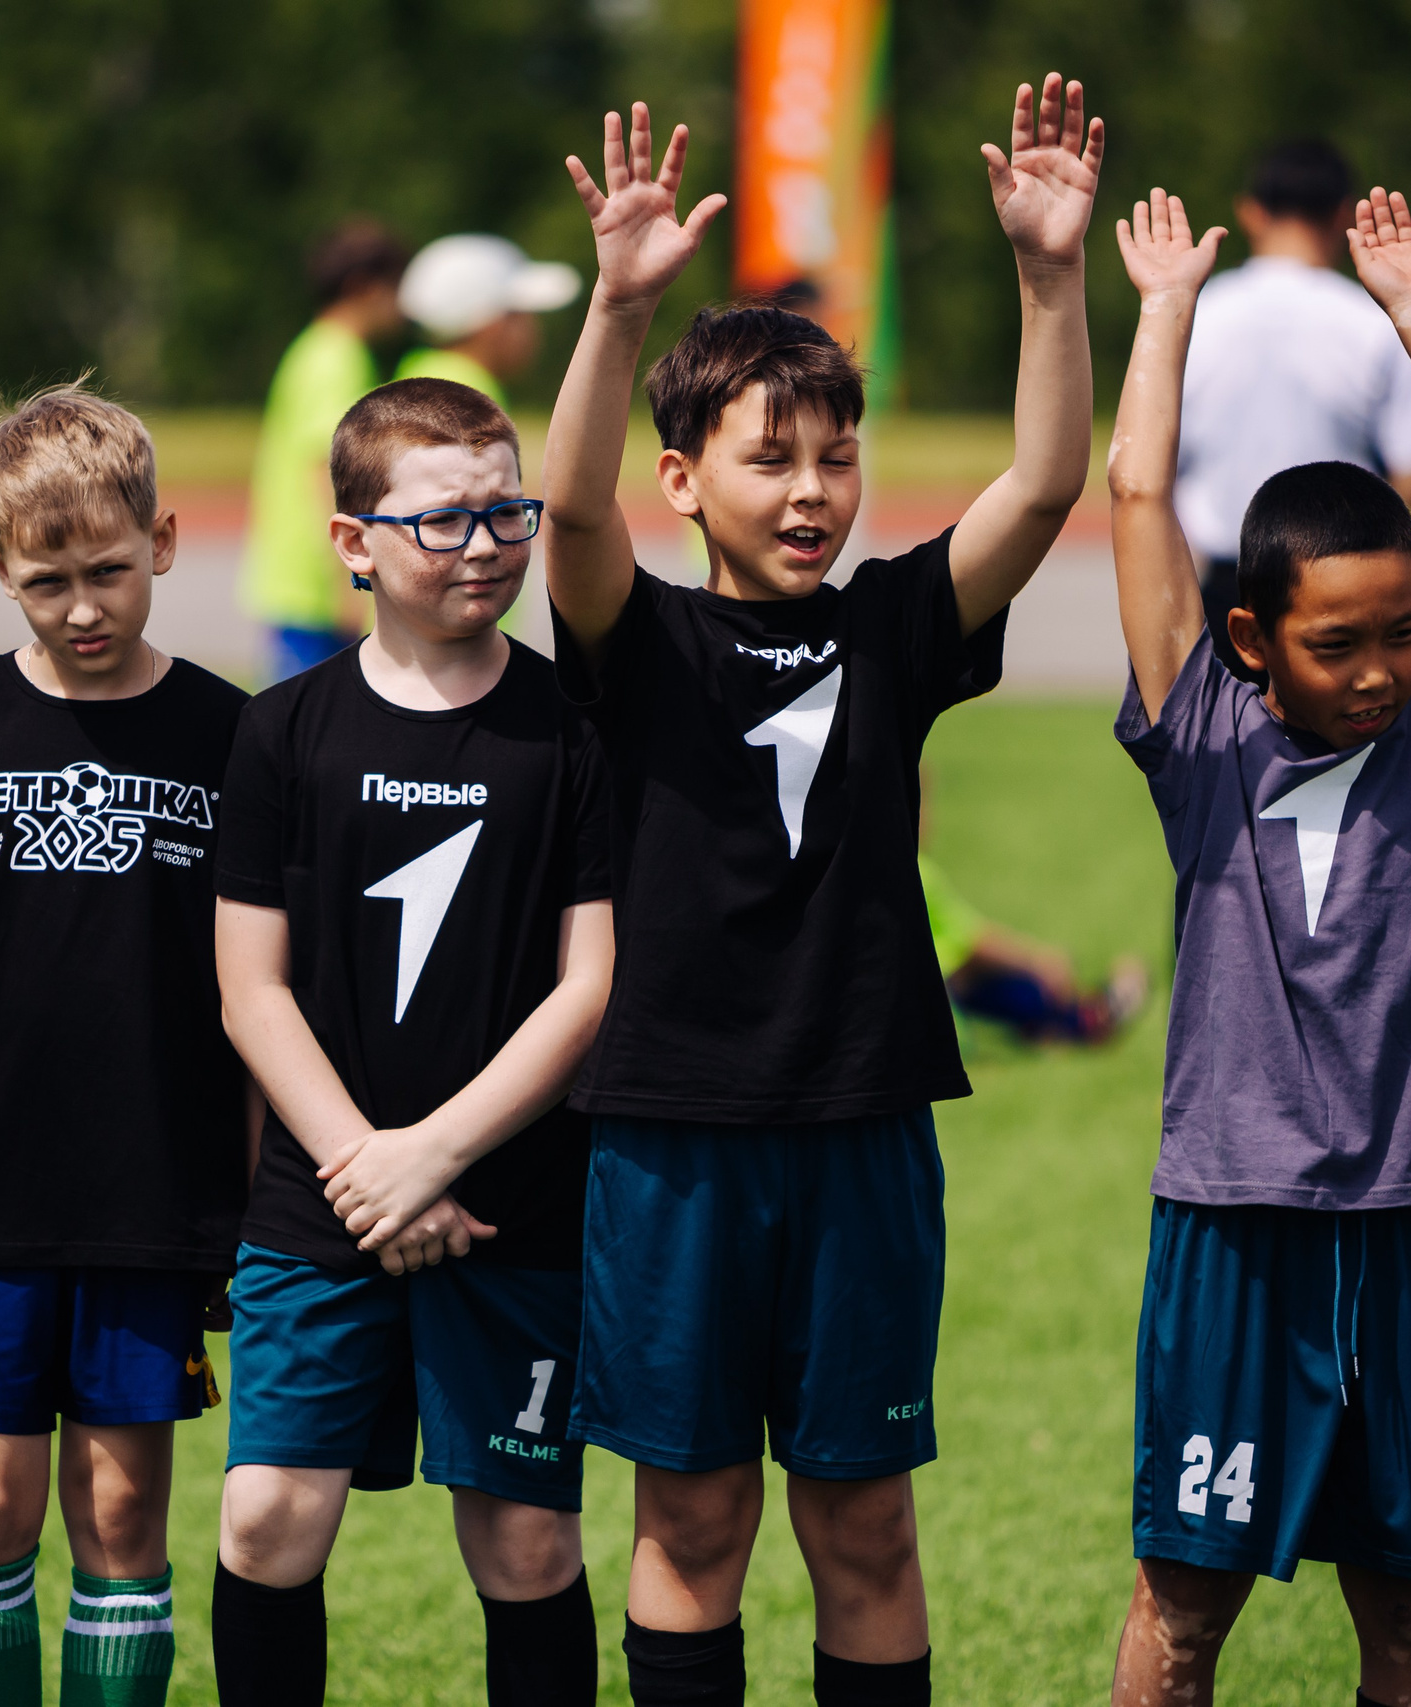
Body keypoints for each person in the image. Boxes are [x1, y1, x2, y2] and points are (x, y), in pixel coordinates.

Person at [539, 83, 1103, 1706]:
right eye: (767, 457)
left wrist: (1051, 285)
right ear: (682, 481)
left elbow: (1046, 483)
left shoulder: (896, 629)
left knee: (864, 1527)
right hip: (669, 1137)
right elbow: (568, 512)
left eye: (836, 457)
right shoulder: (631, 643)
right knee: (694, 1519)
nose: (809, 490)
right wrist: (619, 305)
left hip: (861, 1129)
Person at [1103, 179, 1411, 1707]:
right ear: (1249, 643)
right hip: (1236, 1221)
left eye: (1401, 631)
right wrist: (1161, 313)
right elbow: (1142, 503)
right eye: (1336, 644)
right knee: (1182, 1612)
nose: (1378, 673)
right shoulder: (1198, 733)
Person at [211, 377, 615, 1707]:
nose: (487, 542)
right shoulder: (280, 728)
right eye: (446, 519)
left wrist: (431, 1157)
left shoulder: (570, 730)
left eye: (509, 508)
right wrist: (365, 1168)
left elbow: (588, 983)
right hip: (321, 1197)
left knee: (525, 1535)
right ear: (351, 542)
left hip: (511, 1198)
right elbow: (250, 988)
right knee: (268, 1515)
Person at [0, 385, 251, 1707]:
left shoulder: (233, 731)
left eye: (109, 571)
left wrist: (251, 1189)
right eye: (47, 581)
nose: (84, 605)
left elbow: (260, 985)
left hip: (156, 1185)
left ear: (167, 542)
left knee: (124, 1514)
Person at [1176, 139, 1411, 677]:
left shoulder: (1192, 313)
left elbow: (1154, 465)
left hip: (1220, 587)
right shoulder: (1376, 321)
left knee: (1213, 754)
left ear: (1250, 212)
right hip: (1341, 586)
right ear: (1344, 214)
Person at [240, 221, 411, 683]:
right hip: (316, 587)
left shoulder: (313, 349)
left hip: (298, 578)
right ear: (362, 288)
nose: (402, 303)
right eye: (395, 287)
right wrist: (349, 584)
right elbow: (327, 471)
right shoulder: (337, 358)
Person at [920, 850, 1146, 1045]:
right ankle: (1086, 1017)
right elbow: (974, 942)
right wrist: (1038, 963)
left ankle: (1061, 1022)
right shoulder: (915, 870)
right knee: (971, 973)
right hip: (924, 1022)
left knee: (957, 970)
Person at [393, 234, 585, 409]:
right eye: (522, 313)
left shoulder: (418, 377)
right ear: (494, 324)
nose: (535, 326)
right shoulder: (469, 401)